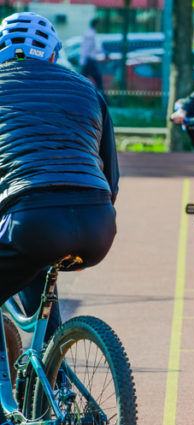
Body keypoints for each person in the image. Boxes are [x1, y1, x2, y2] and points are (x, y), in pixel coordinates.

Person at [0, 12, 119, 343]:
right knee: (33, 269)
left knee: (28, 248)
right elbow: (111, 174)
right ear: (54, 53)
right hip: (97, 226)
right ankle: (54, 381)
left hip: (32, 220)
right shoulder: (86, 88)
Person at [80, 17, 104, 93]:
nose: (100, 26)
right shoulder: (90, 35)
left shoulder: (91, 33)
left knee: (83, 80)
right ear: (95, 24)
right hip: (89, 61)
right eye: (99, 24)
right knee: (98, 80)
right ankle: (104, 99)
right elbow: (86, 48)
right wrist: (83, 61)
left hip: (90, 61)